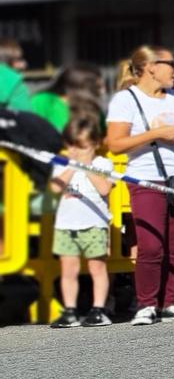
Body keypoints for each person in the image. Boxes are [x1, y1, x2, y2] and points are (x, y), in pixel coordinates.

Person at [104, 45, 174, 324]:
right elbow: (115, 143)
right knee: (151, 244)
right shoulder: (126, 99)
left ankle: (171, 301)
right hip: (146, 177)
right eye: (171, 64)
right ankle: (146, 303)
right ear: (151, 67)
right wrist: (157, 133)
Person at [46, 116, 116, 329]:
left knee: (97, 267)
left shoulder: (102, 164)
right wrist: (71, 167)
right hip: (66, 225)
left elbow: (105, 189)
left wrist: (86, 167)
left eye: (83, 146)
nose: (78, 151)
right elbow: (56, 188)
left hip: (94, 223)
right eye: (73, 146)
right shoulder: (61, 164)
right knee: (68, 269)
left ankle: (98, 309)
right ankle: (69, 311)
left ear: (95, 144)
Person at [28, 65, 106, 134]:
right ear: (80, 88)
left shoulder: (93, 108)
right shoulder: (43, 101)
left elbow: (103, 136)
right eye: (98, 87)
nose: (103, 91)